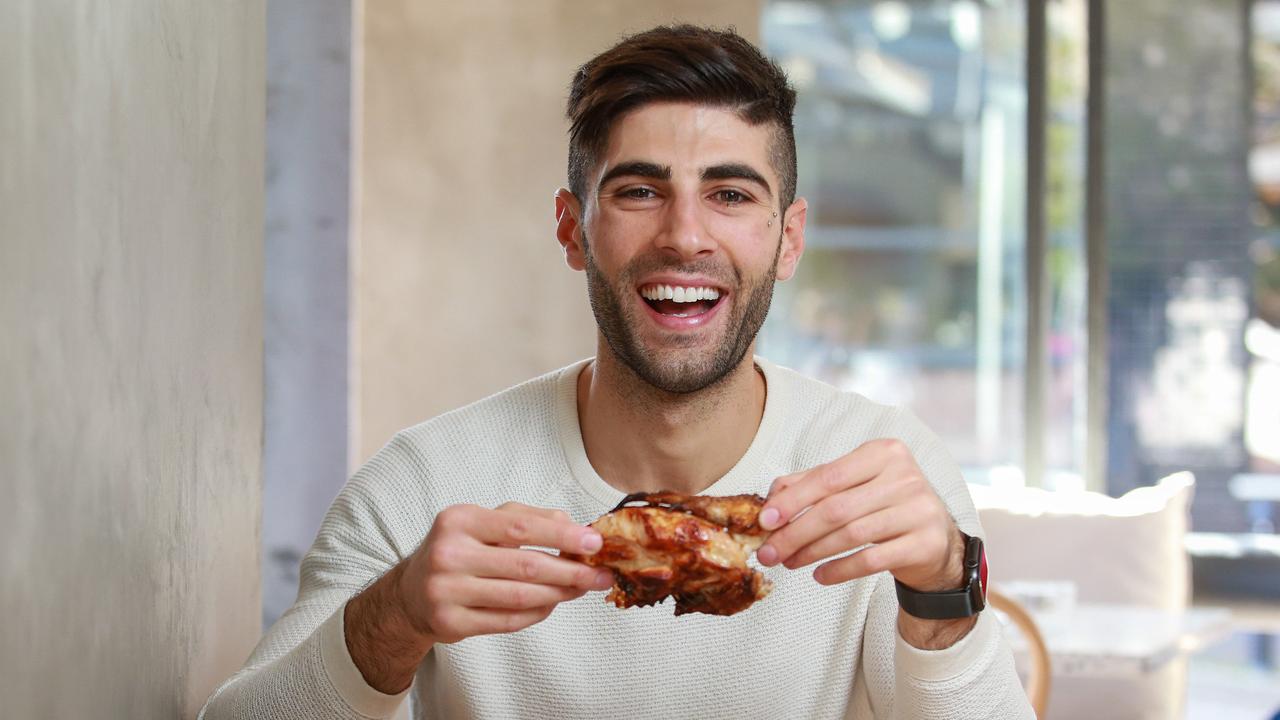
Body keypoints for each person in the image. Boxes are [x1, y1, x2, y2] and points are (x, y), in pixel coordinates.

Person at [200, 24, 1032, 720]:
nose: (685, 237)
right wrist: (395, 616)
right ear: (573, 229)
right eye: (639, 190)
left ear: (789, 238)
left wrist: (943, 590)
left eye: (732, 195)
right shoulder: (425, 488)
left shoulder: (881, 469)